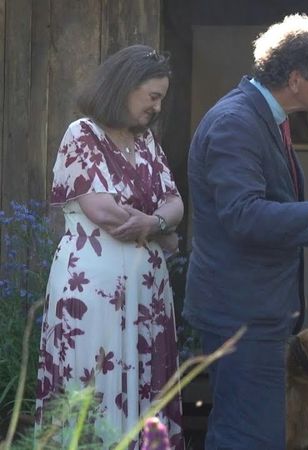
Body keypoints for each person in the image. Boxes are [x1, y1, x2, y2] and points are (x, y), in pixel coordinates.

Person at [184, 14, 308, 449]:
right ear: (295, 78)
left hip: (259, 309)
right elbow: (242, 214)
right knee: (246, 435)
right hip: (240, 312)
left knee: (257, 432)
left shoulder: (264, 117)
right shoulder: (236, 122)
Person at [36, 45, 184, 448]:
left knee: (142, 386)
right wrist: (159, 228)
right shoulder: (82, 134)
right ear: (124, 87)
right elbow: (103, 212)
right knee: (93, 390)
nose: (157, 106)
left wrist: (152, 222)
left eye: (162, 99)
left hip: (146, 292)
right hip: (93, 294)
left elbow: (176, 204)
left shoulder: (147, 141)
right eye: (152, 96)